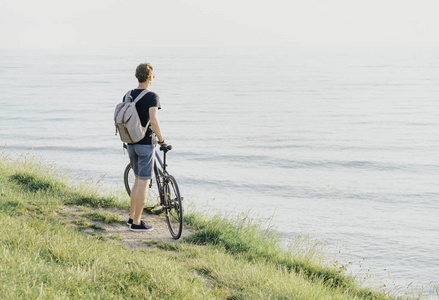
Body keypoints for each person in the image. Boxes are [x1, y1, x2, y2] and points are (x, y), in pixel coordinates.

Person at [125, 63, 167, 232]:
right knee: (144, 182)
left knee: (136, 180)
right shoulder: (152, 96)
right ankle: (136, 223)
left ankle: (131, 217)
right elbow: (154, 120)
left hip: (130, 143)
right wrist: (162, 140)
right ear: (150, 77)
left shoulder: (127, 95)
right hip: (145, 144)